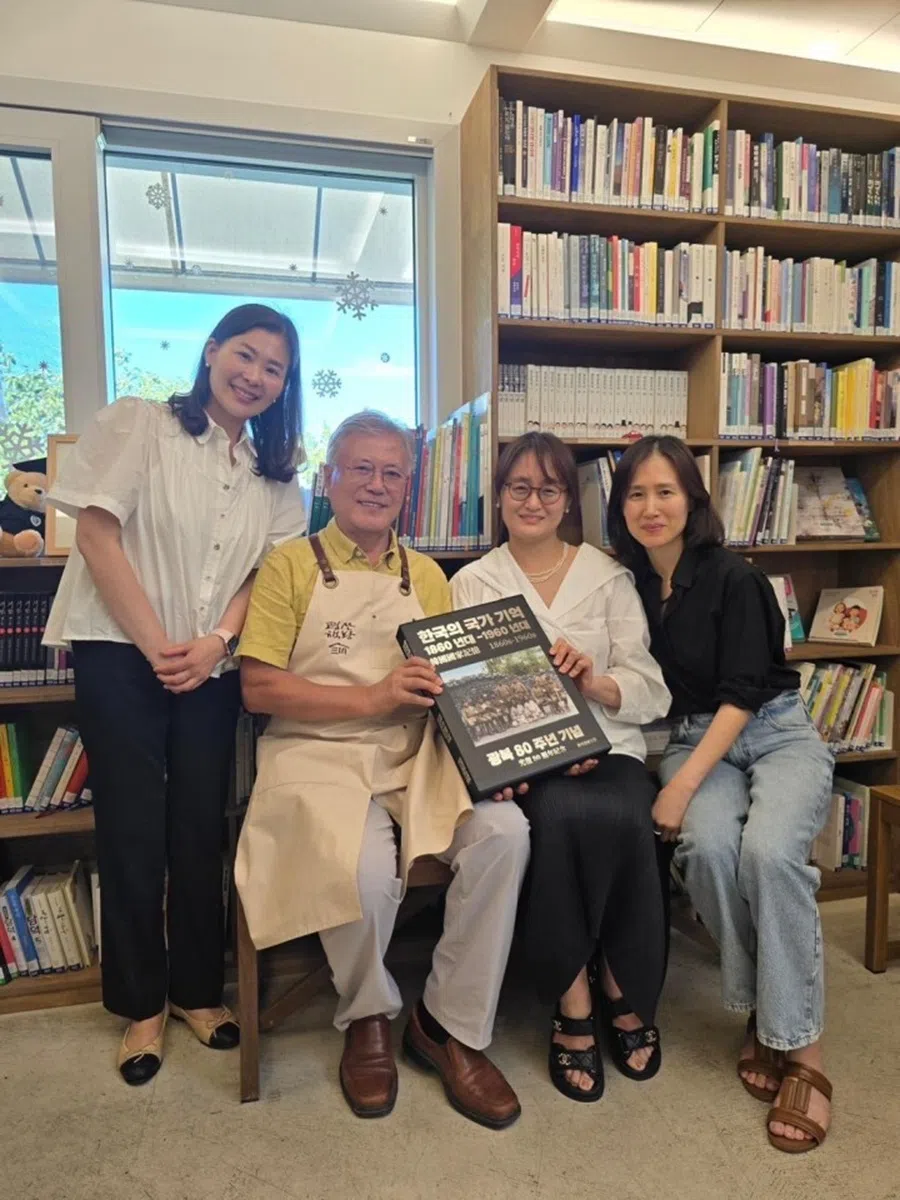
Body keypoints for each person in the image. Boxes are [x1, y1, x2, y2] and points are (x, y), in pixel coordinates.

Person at [235, 410, 530, 1129]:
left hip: (413, 752)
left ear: (407, 487)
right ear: (328, 478)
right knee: (362, 871)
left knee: (506, 833)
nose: (376, 484)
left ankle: (448, 1024)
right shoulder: (288, 566)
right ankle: (367, 1015)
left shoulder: (425, 574)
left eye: (391, 472)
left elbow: (456, 689)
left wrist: (501, 749)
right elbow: (258, 688)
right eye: (360, 468)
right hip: (313, 751)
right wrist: (371, 697)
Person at [43, 304, 306, 1084]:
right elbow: (97, 535)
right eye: (245, 355)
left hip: (210, 665)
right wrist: (159, 644)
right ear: (212, 349)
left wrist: (217, 642)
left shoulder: (275, 476)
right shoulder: (142, 424)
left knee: (199, 828)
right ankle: (140, 1006)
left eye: (274, 368)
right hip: (121, 653)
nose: (255, 376)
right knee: (132, 830)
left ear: (284, 385)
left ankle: (196, 991)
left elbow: (265, 577)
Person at [606, 435, 835, 1153]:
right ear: (619, 506)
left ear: (693, 500)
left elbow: (743, 694)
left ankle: (803, 1049)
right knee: (705, 851)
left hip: (773, 728)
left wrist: (677, 789)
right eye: (636, 494)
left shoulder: (736, 578)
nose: (651, 507)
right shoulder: (628, 585)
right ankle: (769, 1010)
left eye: (665, 492)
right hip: (692, 735)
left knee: (768, 855)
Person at [451, 432, 671, 1103]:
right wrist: (502, 760)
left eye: (549, 488)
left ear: (569, 501)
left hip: (608, 744)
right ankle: (573, 995)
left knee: (627, 813)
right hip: (524, 762)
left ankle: (622, 985)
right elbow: (458, 699)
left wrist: (594, 681)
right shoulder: (472, 583)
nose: (533, 501)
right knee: (552, 815)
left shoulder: (608, 577)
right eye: (519, 487)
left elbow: (651, 689)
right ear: (499, 497)